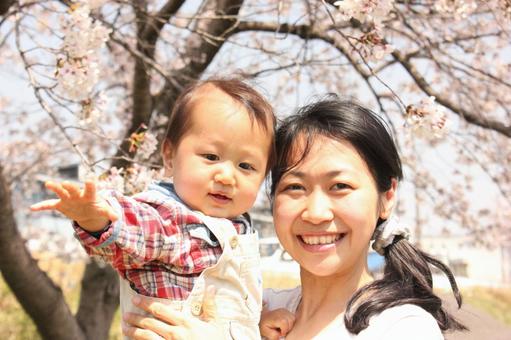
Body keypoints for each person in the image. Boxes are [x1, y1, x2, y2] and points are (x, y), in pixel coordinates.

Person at [121, 96, 467, 339]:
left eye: (340, 186)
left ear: (386, 196)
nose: (315, 213)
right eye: (295, 188)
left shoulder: (400, 328)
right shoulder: (256, 307)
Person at [30, 78, 277, 339]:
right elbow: (137, 229)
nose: (227, 176)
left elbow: (233, 296)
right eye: (211, 157)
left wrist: (257, 321)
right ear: (169, 157)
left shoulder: (241, 228)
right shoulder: (167, 217)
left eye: (246, 166)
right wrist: (98, 218)